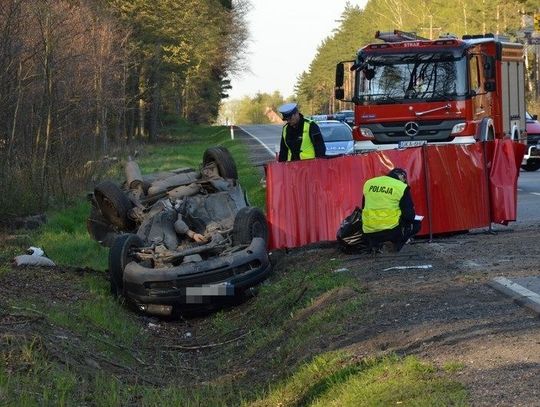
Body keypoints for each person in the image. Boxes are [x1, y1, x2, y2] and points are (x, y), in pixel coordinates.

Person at [361, 168, 421, 252]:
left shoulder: (369, 183)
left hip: (369, 231)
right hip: (391, 231)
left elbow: (363, 207)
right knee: (416, 223)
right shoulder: (401, 187)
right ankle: (396, 245)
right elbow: (409, 215)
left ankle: (375, 245)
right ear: (402, 176)